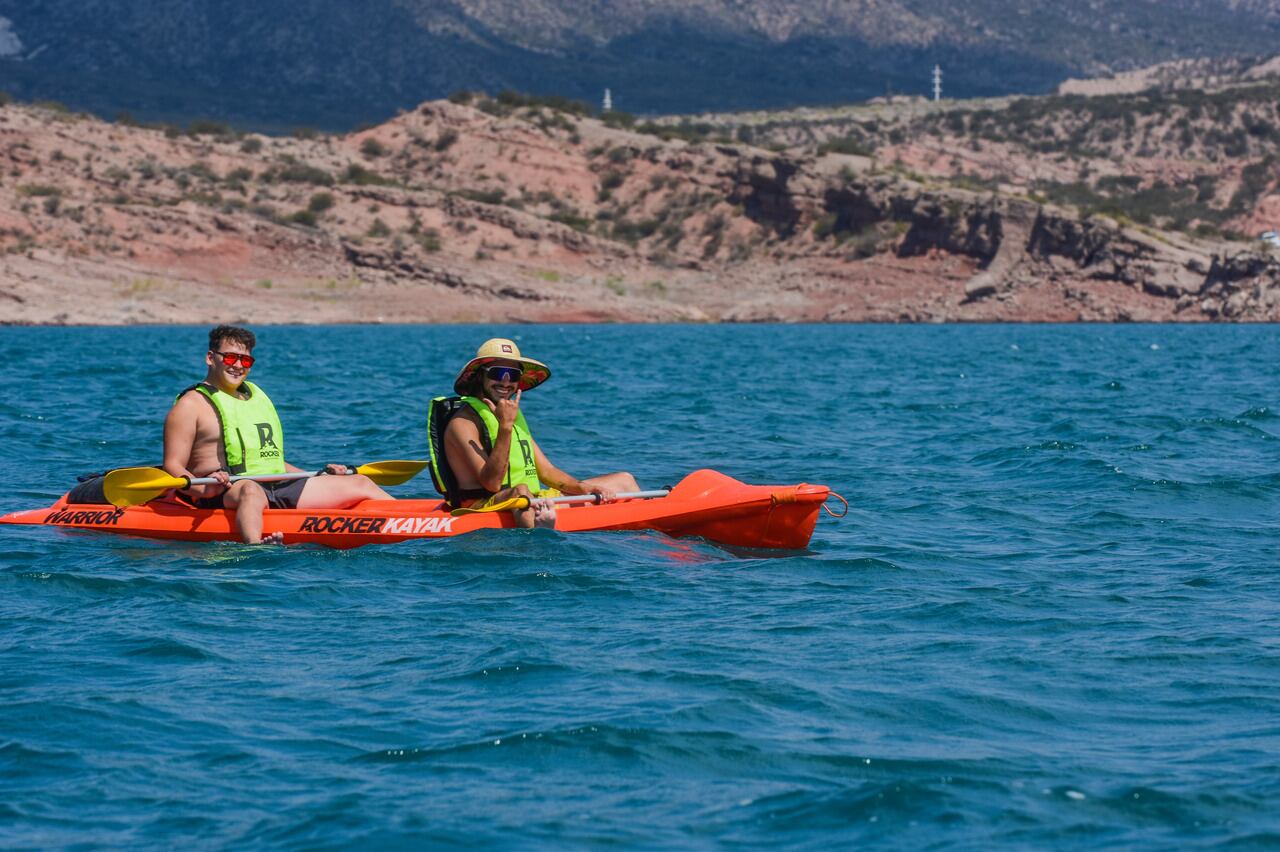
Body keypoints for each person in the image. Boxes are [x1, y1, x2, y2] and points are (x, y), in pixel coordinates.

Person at [163, 325, 393, 544]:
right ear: (211, 358)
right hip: (222, 492)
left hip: (276, 487)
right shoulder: (190, 405)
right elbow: (173, 466)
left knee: (360, 482)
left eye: (246, 360)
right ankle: (256, 548)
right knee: (250, 491)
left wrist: (317, 476)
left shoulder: (253, 398)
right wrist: (204, 487)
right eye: (231, 357)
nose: (238, 366)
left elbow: (270, 462)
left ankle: (418, 522)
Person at [438, 338, 639, 528]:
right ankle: (537, 538)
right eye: (498, 373)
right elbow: (491, 484)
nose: (506, 382)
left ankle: (652, 521)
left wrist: (583, 488)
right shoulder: (463, 422)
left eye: (513, 375)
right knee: (521, 491)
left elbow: (547, 472)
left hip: (531, 500)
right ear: (480, 375)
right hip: (484, 508)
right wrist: (505, 427)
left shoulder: (510, 413)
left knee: (624, 479)